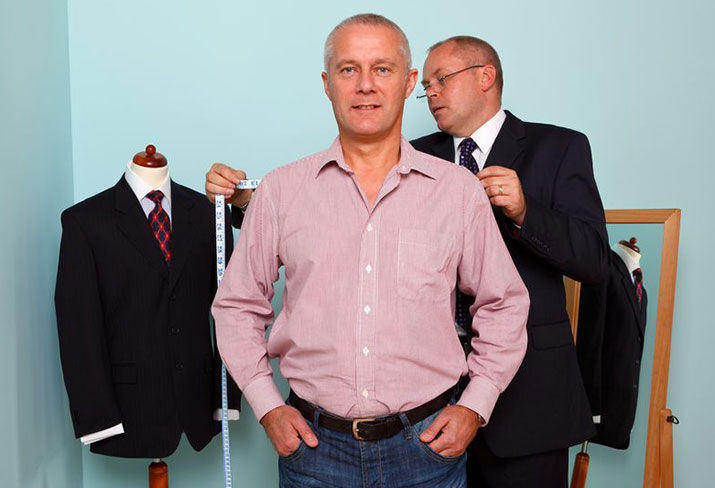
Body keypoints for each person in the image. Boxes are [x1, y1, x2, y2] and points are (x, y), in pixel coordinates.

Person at [211, 14, 529, 488]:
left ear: (408, 82)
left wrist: (474, 406)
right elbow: (236, 306)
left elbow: (503, 303)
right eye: (348, 70)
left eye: (382, 69)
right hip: (313, 453)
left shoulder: (457, 192)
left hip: (429, 451)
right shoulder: (281, 191)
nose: (365, 85)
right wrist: (268, 406)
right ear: (326, 84)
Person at [411, 36, 610, 488]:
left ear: (486, 76)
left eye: (441, 79)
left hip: (530, 396)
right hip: (428, 397)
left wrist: (526, 211)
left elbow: (595, 262)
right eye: (426, 85)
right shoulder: (415, 156)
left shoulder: (559, 147)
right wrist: (248, 205)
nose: (432, 93)